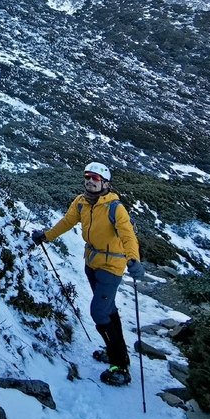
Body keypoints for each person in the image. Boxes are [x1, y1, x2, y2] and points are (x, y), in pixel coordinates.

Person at [32, 161, 144, 387]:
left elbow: (128, 236)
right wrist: (46, 236)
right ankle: (118, 352)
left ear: (105, 183)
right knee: (109, 310)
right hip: (91, 262)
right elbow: (67, 222)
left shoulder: (115, 208)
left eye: (96, 178)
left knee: (99, 312)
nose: (90, 181)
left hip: (111, 267)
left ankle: (120, 366)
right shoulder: (81, 202)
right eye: (88, 177)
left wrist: (134, 259)